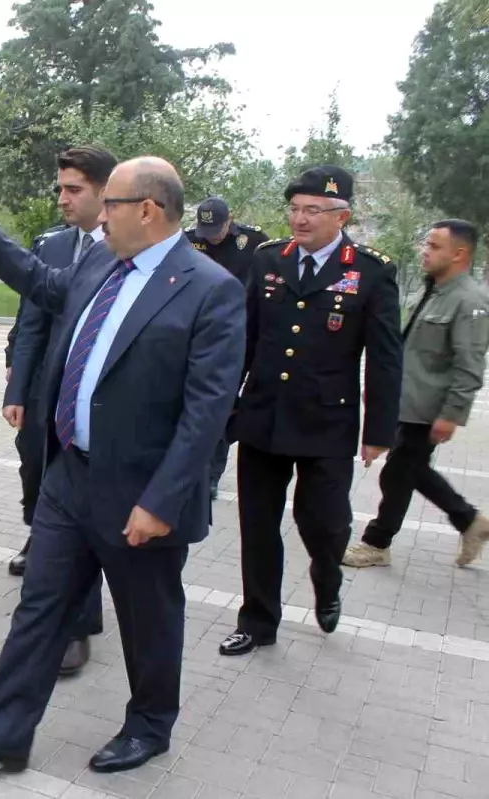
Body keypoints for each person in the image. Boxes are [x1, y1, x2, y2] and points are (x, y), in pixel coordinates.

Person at [0, 160, 245, 774]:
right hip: (69, 477)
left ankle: (150, 726)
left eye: (113, 205)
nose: (101, 217)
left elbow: (206, 414)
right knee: (39, 607)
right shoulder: (101, 261)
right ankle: (3, 733)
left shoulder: (210, 289)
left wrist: (161, 502)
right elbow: (47, 287)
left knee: (147, 617)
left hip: (140, 494)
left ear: (149, 210)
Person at [220, 166, 403, 657]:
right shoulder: (267, 260)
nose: (299, 220)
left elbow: (384, 356)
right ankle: (258, 621)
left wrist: (379, 429)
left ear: (341, 215)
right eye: (295, 209)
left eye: (312, 211)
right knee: (257, 525)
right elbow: (245, 339)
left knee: (324, 524)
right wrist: (224, 403)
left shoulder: (369, 270)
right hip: (263, 416)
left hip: (327, 422)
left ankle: (327, 580)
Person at [2, 146, 116, 677]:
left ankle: (76, 624)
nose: (63, 199)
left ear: (104, 191)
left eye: (74, 190)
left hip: (95, 404)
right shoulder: (51, 243)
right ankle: (39, 544)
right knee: (37, 481)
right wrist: (17, 391)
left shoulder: (128, 249)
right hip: (47, 397)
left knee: (81, 507)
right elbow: (30, 325)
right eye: (60, 189)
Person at [344, 220, 489, 568]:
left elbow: (470, 365)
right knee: (407, 470)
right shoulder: (435, 290)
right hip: (408, 404)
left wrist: (452, 413)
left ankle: (377, 543)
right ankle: (469, 521)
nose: (425, 251)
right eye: (426, 243)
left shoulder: (468, 300)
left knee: (399, 472)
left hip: (429, 408)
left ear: (459, 253)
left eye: (435, 246)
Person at [185, 196, 269, 498]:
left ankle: (211, 475)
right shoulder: (188, 241)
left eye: (217, 229)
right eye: (206, 229)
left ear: (230, 220)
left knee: (222, 404)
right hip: (197, 334)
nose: (212, 236)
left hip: (238, 337)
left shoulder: (255, 242)